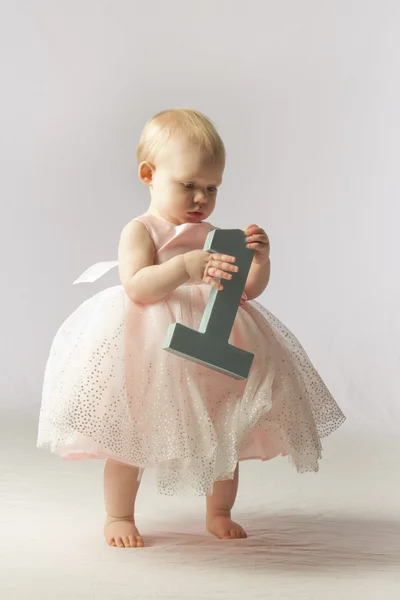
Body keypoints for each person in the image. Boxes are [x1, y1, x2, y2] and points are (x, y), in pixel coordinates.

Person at [37, 108, 345, 548]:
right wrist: (183, 266)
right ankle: (118, 515)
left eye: (211, 188)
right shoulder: (141, 230)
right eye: (189, 185)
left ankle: (219, 511)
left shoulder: (217, 235)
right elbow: (137, 286)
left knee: (224, 426)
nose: (201, 199)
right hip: (151, 345)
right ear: (149, 174)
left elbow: (244, 293)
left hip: (211, 345)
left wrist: (260, 263)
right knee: (134, 432)